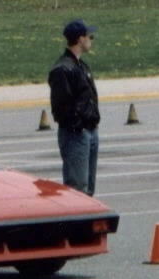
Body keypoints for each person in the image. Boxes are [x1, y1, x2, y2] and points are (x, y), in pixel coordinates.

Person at [48, 19, 100, 196]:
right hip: (76, 134)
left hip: (89, 131)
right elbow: (61, 107)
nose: (91, 39)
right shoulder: (63, 69)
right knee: (77, 189)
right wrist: (78, 124)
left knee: (88, 189)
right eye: (89, 36)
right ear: (80, 39)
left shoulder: (81, 66)